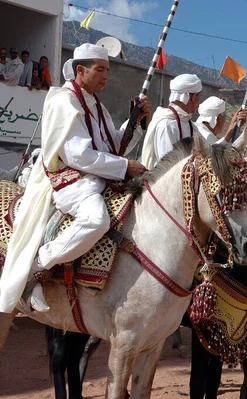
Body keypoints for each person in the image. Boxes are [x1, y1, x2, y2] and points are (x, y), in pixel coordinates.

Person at [0, 43, 151, 314]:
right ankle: (38, 266)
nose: (106, 75)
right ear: (81, 70)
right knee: (96, 220)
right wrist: (125, 165)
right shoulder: (64, 101)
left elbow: (113, 146)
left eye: (108, 70)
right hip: (73, 179)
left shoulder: (97, 105)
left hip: (98, 176)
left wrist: (135, 123)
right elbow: (78, 155)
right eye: (100, 69)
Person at [194, 96, 247, 172]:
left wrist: (234, 125)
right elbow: (229, 165)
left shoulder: (197, 130)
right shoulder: (206, 136)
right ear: (220, 119)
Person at [141, 74, 203, 169]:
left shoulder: (187, 122)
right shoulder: (167, 124)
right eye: (199, 95)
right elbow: (168, 168)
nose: (199, 101)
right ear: (192, 97)